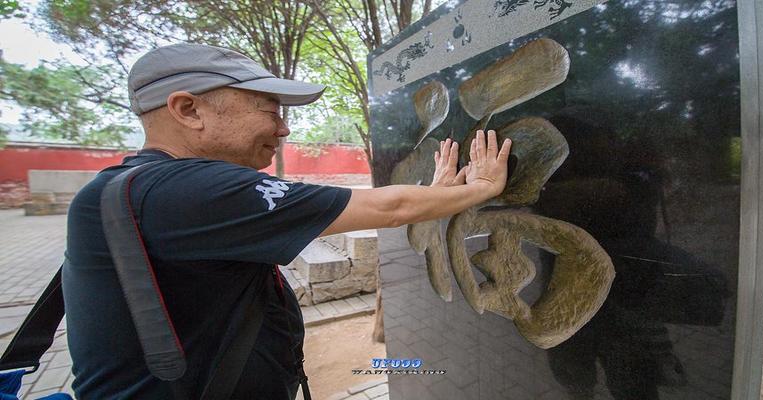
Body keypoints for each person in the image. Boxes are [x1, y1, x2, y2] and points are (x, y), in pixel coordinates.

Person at [61, 43, 511, 399]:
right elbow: (386, 208)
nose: (283, 129)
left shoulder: (131, 186)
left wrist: (434, 196)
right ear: (188, 109)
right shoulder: (188, 191)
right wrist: (483, 189)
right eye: (268, 110)